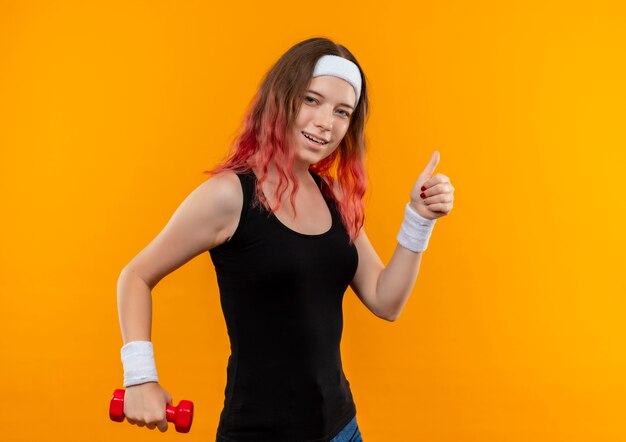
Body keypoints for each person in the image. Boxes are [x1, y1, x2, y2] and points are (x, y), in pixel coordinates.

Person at [116, 37, 455, 442]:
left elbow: (386, 300)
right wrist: (140, 377)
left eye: (341, 111)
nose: (325, 122)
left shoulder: (335, 197)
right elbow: (135, 276)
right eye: (311, 100)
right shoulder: (229, 195)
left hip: (341, 429)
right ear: (281, 98)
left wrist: (418, 220)